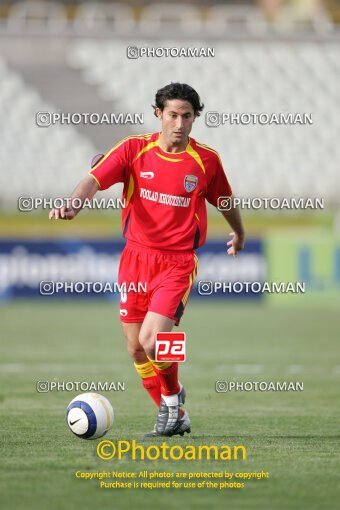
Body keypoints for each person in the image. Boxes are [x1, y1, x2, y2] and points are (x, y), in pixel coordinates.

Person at [49, 82, 245, 437]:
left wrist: (239, 233)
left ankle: (171, 403)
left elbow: (225, 201)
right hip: (135, 259)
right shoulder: (133, 149)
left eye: (187, 116)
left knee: (156, 339)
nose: (180, 123)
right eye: (173, 115)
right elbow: (92, 180)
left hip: (178, 262)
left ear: (195, 117)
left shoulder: (206, 161)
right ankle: (174, 410)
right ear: (159, 114)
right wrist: (73, 205)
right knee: (136, 347)